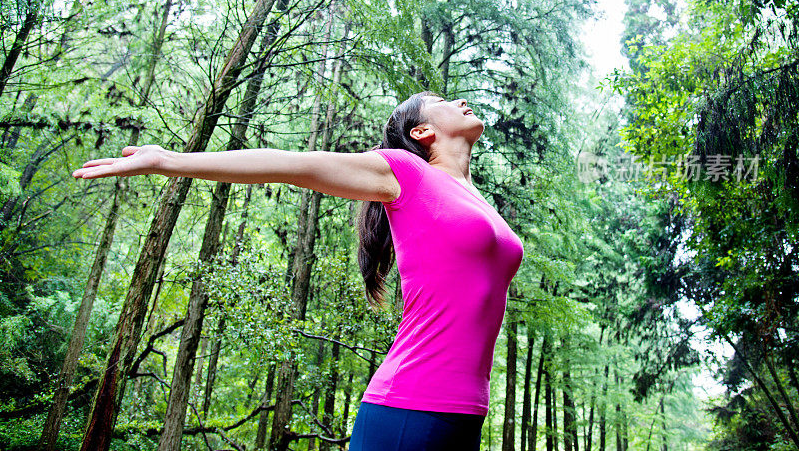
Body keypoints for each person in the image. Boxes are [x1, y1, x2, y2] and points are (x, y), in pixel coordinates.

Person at [73, 91, 524, 451]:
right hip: (409, 406)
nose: (460, 100)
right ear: (422, 131)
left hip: (466, 413)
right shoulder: (408, 174)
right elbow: (292, 163)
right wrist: (167, 160)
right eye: (442, 102)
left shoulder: (478, 200)